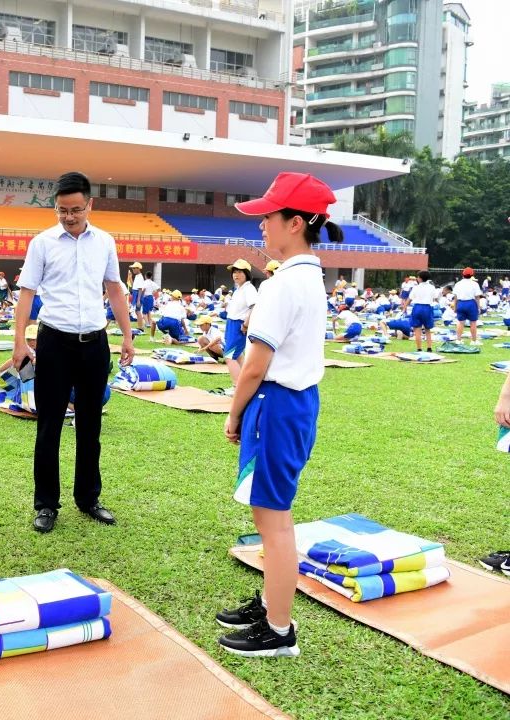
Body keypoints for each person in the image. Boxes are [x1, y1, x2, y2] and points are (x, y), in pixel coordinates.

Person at [217, 171, 343, 658]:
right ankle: (272, 602)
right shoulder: (308, 276)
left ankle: (279, 628)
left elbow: (254, 366)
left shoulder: (283, 284)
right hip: (293, 403)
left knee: (274, 521)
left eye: (268, 218)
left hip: (275, 402)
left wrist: (233, 416)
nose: (261, 228)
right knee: (270, 512)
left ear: (294, 223)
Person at [12, 171, 134, 534]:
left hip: (94, 343)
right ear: (55, 207)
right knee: (49, 425)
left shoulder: (105, 242)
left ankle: (88, 498)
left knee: (90, 423)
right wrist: (20, 341)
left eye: (76, 210)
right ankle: (46, 504)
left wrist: (127, 335)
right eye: (62, 210)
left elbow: (114, 288)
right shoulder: (43, 243)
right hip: (54, 341)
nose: (69, 216)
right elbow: (27, 293)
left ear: (90, 205)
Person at [223, 259, 258, 386]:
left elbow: (254, 307)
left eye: (239, 272)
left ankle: (238, 386)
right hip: (232, 324)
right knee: (237, 356)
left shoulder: (249, 289)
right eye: (234, 272)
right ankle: (247, 384)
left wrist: (245, 325)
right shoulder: (239, 289)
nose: (236, 275)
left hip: (239, 326)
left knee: (229, 356)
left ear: (246, 274)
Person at [402, 270, 439, 352]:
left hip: (417, 307)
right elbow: (435, 297)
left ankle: (419, 349)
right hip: (427, 307)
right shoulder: (431, 287)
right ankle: (429, 348)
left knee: (417, 329)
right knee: (427, 329)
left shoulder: (416, 287)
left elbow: (409, 299)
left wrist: (405, 307)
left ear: (419, 278)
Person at [451, 267, 483, 345]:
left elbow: (455, 297)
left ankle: (458, 340)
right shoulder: (475, 284)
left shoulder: (458, 284)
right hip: (471, 303)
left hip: (461, 303)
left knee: (460, 322)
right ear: (472, 275)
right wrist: (478, 307)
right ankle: (473, 341)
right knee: (473, 323)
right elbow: (477, 297)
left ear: (463, 274)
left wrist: (455, 306)